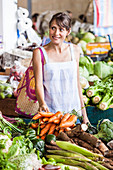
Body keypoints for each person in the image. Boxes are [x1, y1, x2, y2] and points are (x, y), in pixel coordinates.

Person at [33, 12, 89, 124]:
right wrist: (42, 104)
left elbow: (76, 83)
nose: (56, 33)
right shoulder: (39, 53)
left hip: (73, 115)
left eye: (61, 29)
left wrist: (85, 116)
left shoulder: (75, 50)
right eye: (53, 28)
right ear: (49, 29)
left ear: (68, 32)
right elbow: (38, 84)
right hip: (51, 115)